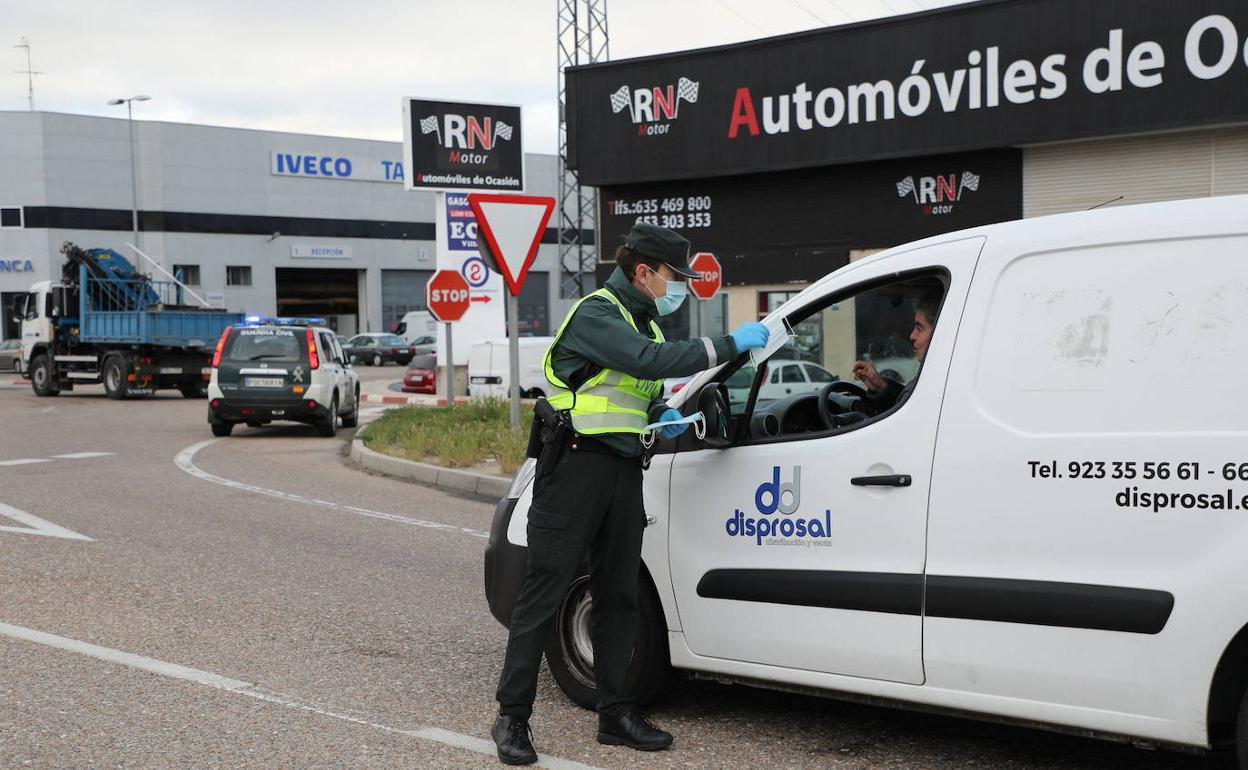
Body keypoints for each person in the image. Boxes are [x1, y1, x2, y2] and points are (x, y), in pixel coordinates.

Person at [491, 223, 770, 765]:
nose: (678, 287)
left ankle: (615, 714)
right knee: (543, 596)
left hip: (621, 470)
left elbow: (631, 387)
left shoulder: (642, 321)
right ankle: (512, 718)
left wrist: (658, 414)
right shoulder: (598, 313)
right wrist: (732, 343)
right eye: (673, 277)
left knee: (619, 597)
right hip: (572, 471)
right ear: (643, 272)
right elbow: (647, 364)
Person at [851, 292, 941, 413]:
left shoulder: (938, 384)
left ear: (939, 331)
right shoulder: (937, 378)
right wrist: (881, 386)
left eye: (919, 328)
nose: (912, 336)